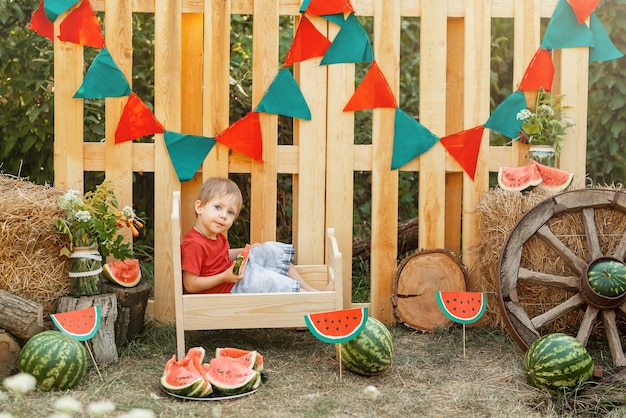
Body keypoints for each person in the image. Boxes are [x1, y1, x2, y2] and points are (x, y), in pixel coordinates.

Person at [181, 177, 333, 294]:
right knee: (267, 279)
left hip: (233, 276)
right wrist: (224, 277)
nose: (223, 216)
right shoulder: (193, 244)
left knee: (270, 250)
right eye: (218, 207)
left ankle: (312, 292)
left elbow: (217, 256)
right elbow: (190, 284)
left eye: (230, 212)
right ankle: (312, 299)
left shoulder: (216, 236)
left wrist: (246, 250)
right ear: (199, 207)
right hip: (227, 288)